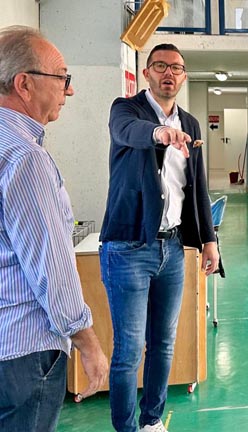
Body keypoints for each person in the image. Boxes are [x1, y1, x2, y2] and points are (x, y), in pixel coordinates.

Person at [99, 43, 219, 432]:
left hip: (171, 249)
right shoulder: (126, 110)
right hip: (128, 247)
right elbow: (129, 133)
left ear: (184, 77)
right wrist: (160, 133)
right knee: (129, 352)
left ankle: (152, 421)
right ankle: (126, 428)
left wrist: (208, 240)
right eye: (161, 66)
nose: (170, 73)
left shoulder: (192, 123)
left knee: (164, 345)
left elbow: (195, 186)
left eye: (177, 68)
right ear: (148, 72)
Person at [0, 25, 108, 431]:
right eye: (62, 78)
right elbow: (50, 266)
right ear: (24, 84)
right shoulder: (24, 158)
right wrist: (88, 343)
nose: (70, 90)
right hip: (25, 353)